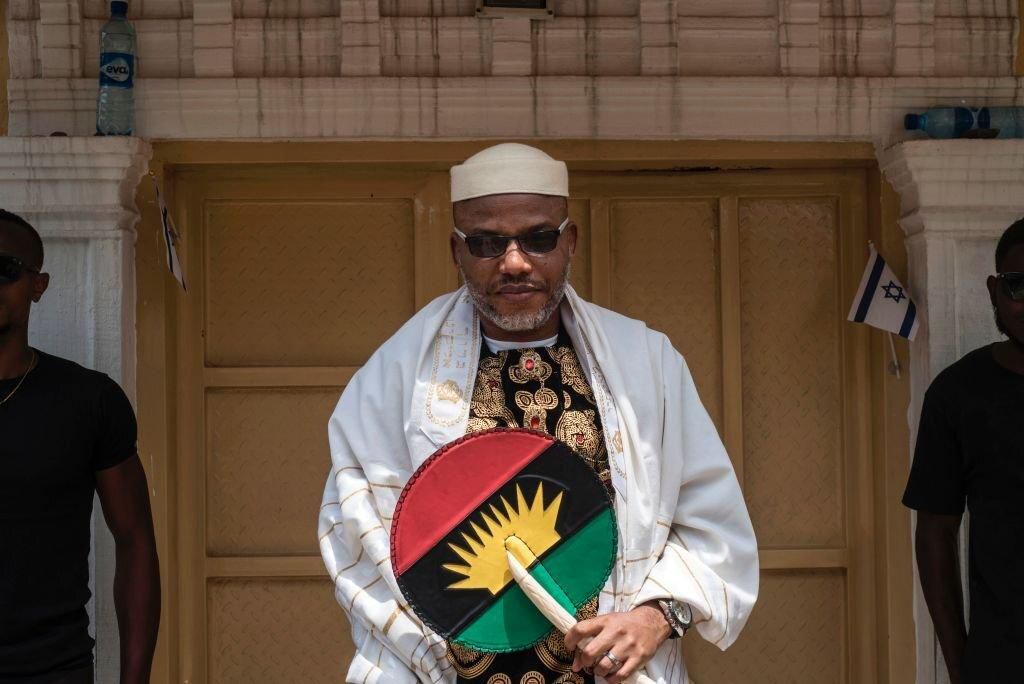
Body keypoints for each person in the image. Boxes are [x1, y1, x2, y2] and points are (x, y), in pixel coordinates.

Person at [319, 144, 758, 684]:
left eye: (538, 238)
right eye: (486, 243)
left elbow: (711, 527)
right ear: (457, 251)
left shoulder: (646, 364)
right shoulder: (394, 379)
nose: (514, 263)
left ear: (570, 241)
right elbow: (358, 533)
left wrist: (654, 617)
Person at [0, 210, 160, 684]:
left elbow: (134, 541)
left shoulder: (88, 401)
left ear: (38, 285)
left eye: (5, 268)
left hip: (50, 669)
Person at [903, 217, 1024, 684]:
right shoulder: (957, 396)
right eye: (1019, 286)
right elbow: (936, 530)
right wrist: (958, 664)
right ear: (994, 291)